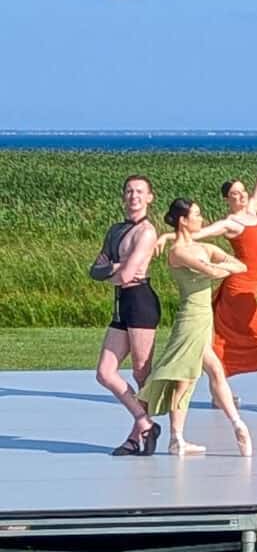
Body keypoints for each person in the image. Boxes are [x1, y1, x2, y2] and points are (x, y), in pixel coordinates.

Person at [156, 135, 257, 408]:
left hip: (249, 284)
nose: (240, 196)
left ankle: (220, 392)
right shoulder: (231, 222)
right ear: (227, 200)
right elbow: (197, 233)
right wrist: (168, 237)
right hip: (238, 286)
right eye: (234, 194)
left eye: (242, 191)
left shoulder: (252, 211)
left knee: (226, 338)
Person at [139, 199, 253, 456]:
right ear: (183, 221)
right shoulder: (178, 253)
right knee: (185, 378)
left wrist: (218, 267)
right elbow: (214, 272)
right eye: (197, 215)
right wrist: (219, 268)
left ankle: (236, 424)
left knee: (215, 371)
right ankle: (178, 437)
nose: (201, 219)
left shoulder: (203, 247)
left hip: (204, 319)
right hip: (190, 320)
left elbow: (241, 266)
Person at [92, 175, 164, 456]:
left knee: (140, 372)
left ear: (149, 197)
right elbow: (95, 269)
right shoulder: (116, 230)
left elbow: (124, 273)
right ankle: (145, 422)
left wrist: (114, 270)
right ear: (124, 196)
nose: (134, 196)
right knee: (104, 373)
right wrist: (115, 271)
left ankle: (136, 437)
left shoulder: (146, 232)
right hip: (122, 302)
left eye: (139, 192)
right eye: (129, 191)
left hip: (140, 302)